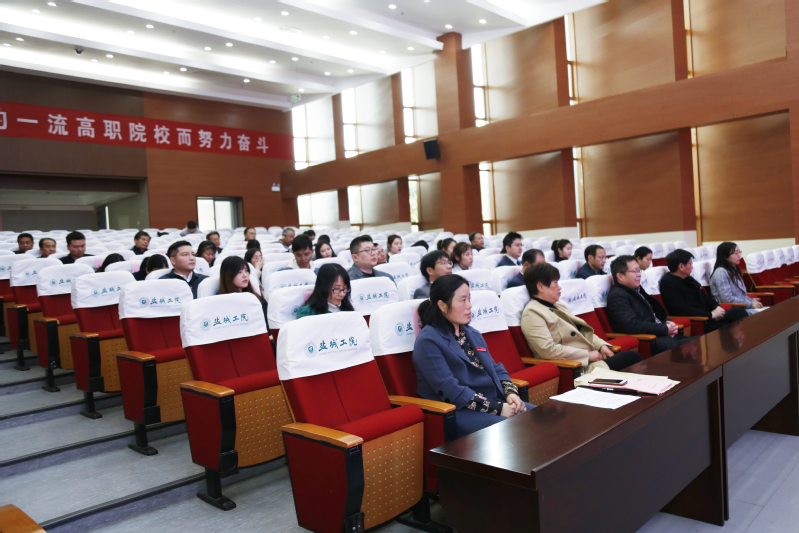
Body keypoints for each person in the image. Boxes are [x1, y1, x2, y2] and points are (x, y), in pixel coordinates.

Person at [413, 274, 533, 438]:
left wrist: (511, 394)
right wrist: (498, 409)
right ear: (442, 305)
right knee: (517, 432)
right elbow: (450, 388)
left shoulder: (471, 333)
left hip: (493, 401)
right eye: (463, 300)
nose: (469, 306)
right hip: (458, 410)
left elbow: (495, 368)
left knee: (539, 417)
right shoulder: (428, 340)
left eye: (469, 299)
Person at [521, 263, 643, 372]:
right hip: (575, 367)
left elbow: (581, 331)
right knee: (632, 357)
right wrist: (586, 355)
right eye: (555, 282)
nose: (559, 287)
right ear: (540, 286)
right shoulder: (532, 313)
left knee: (632, 359)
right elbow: (547, 350)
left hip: (589, 359)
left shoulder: (557, 305)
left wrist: (601, 345)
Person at [606, 255, 697, 355]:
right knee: (695, 347)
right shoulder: (618, 295)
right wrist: (664, 329)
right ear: (620, 276)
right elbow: (631, 325)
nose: (639, 275)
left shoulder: (635, 289)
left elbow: (653, 313)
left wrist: (668, 322)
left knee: (698, 342)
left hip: (662, 335)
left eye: (639, 271)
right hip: (651, 340)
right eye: (635, 271)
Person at [660, 249, 748, 332]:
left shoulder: (688, 278)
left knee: (739, 312)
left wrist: (716, 307)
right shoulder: (668, 283)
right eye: (690, 264)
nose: (692, 267)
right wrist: (711, 315)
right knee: (728, 327)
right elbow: (681, 309)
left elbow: (704, 296)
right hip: (699, 320)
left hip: (708, 314)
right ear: (681, 266)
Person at [710, 242, 764, 316]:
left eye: (739, 252)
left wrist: (753, 301)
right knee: (765, 314)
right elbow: (727, 299)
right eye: (736, 253)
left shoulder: (734, 270)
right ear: (725, 256)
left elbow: (741, 295)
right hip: (732, 310)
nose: (739, 256)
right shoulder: (721, 272)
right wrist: (750, 304)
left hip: (741, 307)